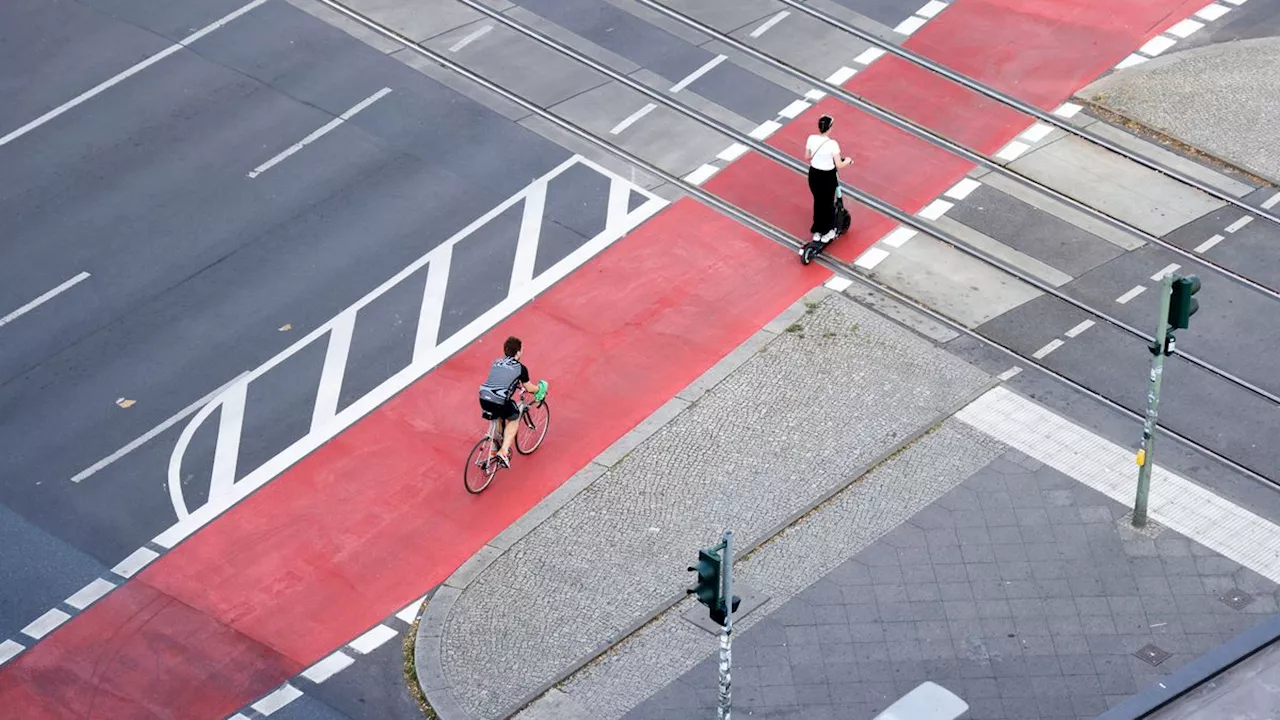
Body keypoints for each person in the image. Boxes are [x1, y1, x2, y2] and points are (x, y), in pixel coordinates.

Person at [478, 336, 540, 467]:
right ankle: (504, 451)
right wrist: (540, 389)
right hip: (499, 399)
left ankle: (494, 450)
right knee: (514, 417)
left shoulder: (496, 362)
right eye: (522, 350)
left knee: (498, 416)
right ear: (518, 352)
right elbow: (529, 388)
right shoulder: (520, 368)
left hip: (483, 396)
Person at [804, 114, 853, 244]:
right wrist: (848, 161)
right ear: (830, 128)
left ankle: (817, 231)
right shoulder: (832, 144)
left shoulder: (811, 138)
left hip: (814, 175)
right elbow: (839, 164)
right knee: (828, 204)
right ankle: (828, 231)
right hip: (827, 176)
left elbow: (807, 156)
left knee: (818, 202)